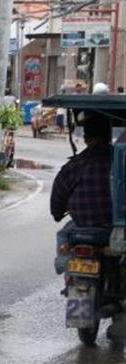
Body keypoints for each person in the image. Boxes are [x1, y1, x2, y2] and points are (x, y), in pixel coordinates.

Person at [51, 112, 113, 271]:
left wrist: (58, 213)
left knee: (63, 234)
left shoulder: (74, 166)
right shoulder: (119, 161)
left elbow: (57, 199)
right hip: (115, 231)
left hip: (81, 230)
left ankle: (64, 264)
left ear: (86, 138)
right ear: (108, 136)